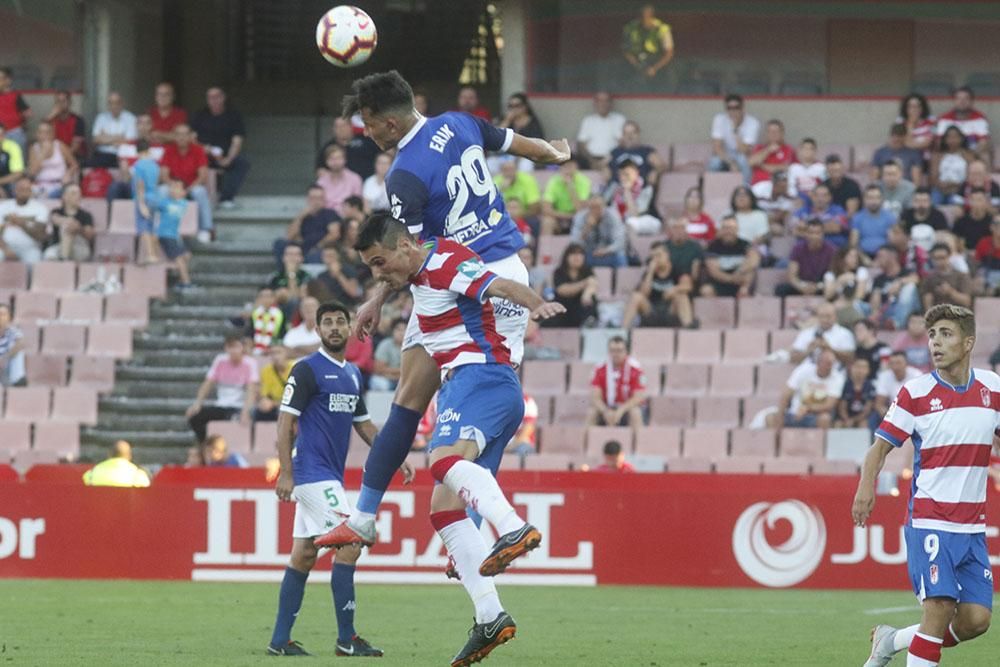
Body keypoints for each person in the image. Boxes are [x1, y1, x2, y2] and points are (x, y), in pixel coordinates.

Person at [313, 70, 570, 554]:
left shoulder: (404, 175)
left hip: (458, 278)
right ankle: (454, 532)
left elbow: (402, 254)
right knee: (488, 395)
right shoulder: (462, 122)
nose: (366, 133)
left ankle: (377, 518)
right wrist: (557, 152)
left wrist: (376, 298)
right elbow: (523, 145)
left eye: (368, 124)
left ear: (388, 124)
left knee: (415, 400)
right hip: (504, 269)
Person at [318, 215, 566, 666]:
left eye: (380, 262)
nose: (379, 273)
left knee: (441, 458)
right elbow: (406, 274)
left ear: (406, 247)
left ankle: (512, 527)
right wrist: (377, 298)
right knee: (445, 510)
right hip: (480, 385)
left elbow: (496, 284)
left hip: (479, 379)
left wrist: (536, 302)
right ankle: (490, 616)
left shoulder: (445, 263)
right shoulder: (420, 265)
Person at [855, 304, 997, 667]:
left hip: (971, 527)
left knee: (975, 621)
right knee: (939, 609)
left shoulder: (993, 389)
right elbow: (878, 449)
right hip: (930, 520)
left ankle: (892, 639)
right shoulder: (914, 393)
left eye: (946, 334)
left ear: (968, 343)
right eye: (932, 334)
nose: (935, 342)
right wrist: (865, 489)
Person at [269, 302, 405, 657]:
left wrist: (394, 455)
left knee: (304, 555)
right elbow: (285, 422)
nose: (333, 328)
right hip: (311, 474)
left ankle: (279, 641)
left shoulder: (352, 374)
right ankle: (347, 639)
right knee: (351, 543)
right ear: (317, 330)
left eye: (339, 322)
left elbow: (364, 424)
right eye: (326, 323)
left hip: (327, 475)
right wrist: (286, 471)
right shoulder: (307, 370)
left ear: (349, 329)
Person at [186, 333, 259, 444]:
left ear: (242, 348)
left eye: (236, 347)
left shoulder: (250, 363)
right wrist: (198, 403)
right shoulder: (220, 360)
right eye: (230, 347)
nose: (233, 351)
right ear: (226, 348)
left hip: (239, 406)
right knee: (195, 417)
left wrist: (246, 410)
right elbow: (208, 383)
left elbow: (251, 389)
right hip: (222, 405)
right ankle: (206, 445)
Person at [190, 86, 250, 208]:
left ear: (223, 98)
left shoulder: (233, 116)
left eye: (217, 97)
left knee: (242, 163)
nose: (214, 100)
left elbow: (237, 140)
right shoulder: (200, 115)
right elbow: (191, 138)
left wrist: (229, 158)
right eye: (210, 97)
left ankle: (226, 198)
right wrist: (203, 148)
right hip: (203, 155)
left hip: (224, 156)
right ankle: (193, 198)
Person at [159, 123, 213, 243]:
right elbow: (164, 175)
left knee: (200, 191)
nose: (181, 138)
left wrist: (187, 190)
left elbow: (202, 176)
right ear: (173, 136)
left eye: (184, 135)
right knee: (162, 190)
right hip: (174, 186)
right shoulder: (168, 150)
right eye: (178, 135)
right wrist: (175, 188)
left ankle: (205, 229)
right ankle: (163, 228)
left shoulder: (198, 150)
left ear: (190, 136)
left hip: (192, 186)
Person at [767, 349, 845, 429]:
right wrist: (780, 415)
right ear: (818, 362)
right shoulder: (803, 370)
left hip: (816, 415)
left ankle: (820, 441)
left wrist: (808, 409)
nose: (829, 367)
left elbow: (830, 404)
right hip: (794, 413)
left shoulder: (837, 377)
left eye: (831, 364)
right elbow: (787, 393)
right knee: (771, 418)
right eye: (827, 363)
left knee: (825, 419)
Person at [623, 240, 693, 328]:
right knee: (635, 297)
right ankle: (622, 330)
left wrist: (674, 289)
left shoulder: (677, 268)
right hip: (651, 311)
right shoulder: (649, 272)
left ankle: (689, 328)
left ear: (667, 255)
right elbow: (643, 293)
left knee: (682, 296)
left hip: (670, 311)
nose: (656, 259)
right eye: (653, 257)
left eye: (658, 255)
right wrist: (650, 272)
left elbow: (688, 286)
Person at [587, 336, 648, 429]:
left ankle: (640, 442)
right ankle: (586, 442)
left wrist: (621, 410)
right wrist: (605, 411)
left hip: (626, 408)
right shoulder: (599, 369)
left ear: (626, 351)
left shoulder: (636, 369)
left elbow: (638, 397)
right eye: (612, 350)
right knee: (592, 413)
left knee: (635, 412)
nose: (615, 354)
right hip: (607, 408)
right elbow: (595, 397)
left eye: (619, 350)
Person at [273, 185, 341, 266]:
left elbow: (334, 234)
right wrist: (301, 217)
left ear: (324, 200)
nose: (316, 201)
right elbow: (289, 236)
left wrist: (318, 246)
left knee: (314, 256)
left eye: (319, 198)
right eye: (313, 198)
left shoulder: (330, 213)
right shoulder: (303, 216)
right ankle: (285, 275)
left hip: (320, 249)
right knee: (279, 243)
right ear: (308, 199)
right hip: (302, 249)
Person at [701, 214, 760, 297]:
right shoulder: (712, 246)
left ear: (737, 229)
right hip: (719, 282)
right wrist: (731, 279)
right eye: (725, 228)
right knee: (706, 290)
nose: (728, 231)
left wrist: (739, 272)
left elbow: (754, 260)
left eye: (731, 228)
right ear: (720, 229)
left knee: (749, 274)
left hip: (741, 281)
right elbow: (714, 271)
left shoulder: (745, 244)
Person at [776, 219, 837, 297]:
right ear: (806, 234)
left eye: (817, 233)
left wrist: (818, 286)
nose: (814, 236)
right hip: (802, 284)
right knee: (781, 289)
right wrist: (802, 286)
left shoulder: (831, 250)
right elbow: (792, 276)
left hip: (822, 285)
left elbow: (834, 274)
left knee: (834, 290)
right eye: (811, 233)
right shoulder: (798, 248)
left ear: (823, 234)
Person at [151, 179, 193, 288]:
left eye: (177, 187)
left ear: (183, 192)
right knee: (179, 257)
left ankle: (180, 280)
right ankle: (186, 282)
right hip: (164, 235)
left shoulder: (183, 203)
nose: (173, 190)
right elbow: (154, 210)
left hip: (175, 236)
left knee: (187, 255)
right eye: (172, 187)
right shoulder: (164, 203)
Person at [708, 94, 759, 184]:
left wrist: (735, 131)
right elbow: (717, 148)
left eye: (736, 107)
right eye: (729, 108)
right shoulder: (719, 119)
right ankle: (712, 190)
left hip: (743, 154)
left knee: (743, 161)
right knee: (714, 163)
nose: (733, 111)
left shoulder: (752, 123)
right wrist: (731, 163)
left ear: (742, 108)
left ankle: (745, 189)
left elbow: (744, 150)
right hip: (725, 153)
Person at [869, 245, 921, 331]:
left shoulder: (906, 272)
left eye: (880, 256)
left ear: (892, 256)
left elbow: (916, 279)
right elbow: (875, 301)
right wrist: (875, 312)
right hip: (886, 310)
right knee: (858, 304)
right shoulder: (879, 279)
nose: (878, 259)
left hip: (907, 309)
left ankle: (897, 323)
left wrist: (899, 282)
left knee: (909, 287)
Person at [0, 176, 49, 265]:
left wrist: (20, 222)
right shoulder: (3, 206)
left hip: (30, 248)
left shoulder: (40, 208)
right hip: (5, 247)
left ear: (31, 191)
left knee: (34, 261)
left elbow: (40, 235)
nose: (24, 192)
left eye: (27, 189)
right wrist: (6, 249)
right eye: (21, 189)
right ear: (15, 190)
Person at [790, 302, 856, 367]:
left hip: (835, 373)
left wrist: (829, 349)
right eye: (821, 316)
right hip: (808, 372)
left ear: (835, 317)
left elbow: (850, 359)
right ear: (817, 317)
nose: (825, 320)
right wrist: (808, 351)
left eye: (828, 316)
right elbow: (793, 359)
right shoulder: (806, 333)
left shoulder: (845, 334)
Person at [934, 86, 991, 162]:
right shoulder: (944, 118)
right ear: (954, 101)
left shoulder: (979, 118)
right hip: (949, 152)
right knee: (935, 155)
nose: (962, 101)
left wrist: (970, 155)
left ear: (972, 101)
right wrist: (954, 153)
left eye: (966, 99)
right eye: (959, 98)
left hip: (972, 154)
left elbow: (984, 142)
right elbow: (939, 142)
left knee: (985, 155)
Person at [604, 158, 659, 236]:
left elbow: (635, 214)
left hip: (645, 221)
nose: (623, 178)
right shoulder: (616, 186)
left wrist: (627, 191)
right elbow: (602, 204)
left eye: (626, 174)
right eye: (620, 175)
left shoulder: (646, 188)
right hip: (621, 222)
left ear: (636, 173)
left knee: (630, 222)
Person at [570, 194, 627, 268]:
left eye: (598, 207)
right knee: (574, 258)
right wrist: (587, 228)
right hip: (588, 253)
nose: (595, 210)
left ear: (604, 206)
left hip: (609, 253)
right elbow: (575, 243)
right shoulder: (580, 217)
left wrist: (606, 250)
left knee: (620, 257)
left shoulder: (613, 216)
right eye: (592, 207)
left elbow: (620, 241)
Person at [316, 116, 379, 181]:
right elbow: (320, 170)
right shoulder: (328, 147)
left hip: (369, 185)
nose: (341, 129)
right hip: (340, 188)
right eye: (337, 126)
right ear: (333, 129)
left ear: (351, 126)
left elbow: (384, 157)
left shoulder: (366, 141)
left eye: (344, 125)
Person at [621, 4, 674, 80]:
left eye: (647, 16)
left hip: (657, 62)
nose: (644, 19)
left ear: (652, 16)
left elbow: (669, 53)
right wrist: (638, 66)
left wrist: (654, 68)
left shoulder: (663, 29)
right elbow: (626, 51)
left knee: (669, 72)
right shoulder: (630, 28)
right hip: (636, 61)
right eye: (641, 16)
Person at [26, 121, 78, 198]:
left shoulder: (60, 146)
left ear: (52, 134)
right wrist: (43, 154)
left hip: (59, 185)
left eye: (47, 132)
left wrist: (68, 173)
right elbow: (31, 173)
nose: (43, 135)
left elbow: (74, 165)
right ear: (37, 134)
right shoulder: (33, 148)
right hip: (39, 185)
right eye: (40, 132)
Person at [576, 91, 626, 171]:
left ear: (611, 103)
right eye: (600, 101)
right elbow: (581, 145)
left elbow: (623, 144)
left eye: (606, 101)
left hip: (611, 158)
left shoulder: (619, 119)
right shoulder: (588, 120)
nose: (603, 104)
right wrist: (592, 161)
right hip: (590, 159)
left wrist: (607, 160)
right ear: (595, 103)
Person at [540, 155, 590, 235]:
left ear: (576, 167)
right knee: (547, 222)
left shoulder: (583, 181)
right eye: (564, 166)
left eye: (570, 166)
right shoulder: (554, 181)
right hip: (559, 217)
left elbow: (580, 210)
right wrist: (568, 216)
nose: (567, 170)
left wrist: (570, 186)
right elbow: (546, 209)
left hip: (578, 218)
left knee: (587, 221)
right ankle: (547, 247)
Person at [43, 184, 94, 262]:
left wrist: (78, 228)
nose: (78, 196)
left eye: (79, 193)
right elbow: (55, 219)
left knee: (67, 228)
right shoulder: (56, 211)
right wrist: (71, 223)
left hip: (79, 247)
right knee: (49, 255)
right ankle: (65, 260)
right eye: (74, 193)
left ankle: (64, 262)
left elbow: (89, 235)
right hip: (59, 245)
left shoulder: (86, 215)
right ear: (65, 196)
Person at [749, 119, 796, 199]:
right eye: (770, 131)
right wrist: (768, 150)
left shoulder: (788, 149)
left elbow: (783, 168)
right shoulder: (759, 148)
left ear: (782, 133)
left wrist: (761, 165)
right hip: (760, 184)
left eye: (776, 131)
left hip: (780, 186)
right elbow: (751, 162)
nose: (773, 134)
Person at [608, 121, 665, 185]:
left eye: (633, 133)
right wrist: (604, 168)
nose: (629, 136)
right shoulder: (615, 151)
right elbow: (601, 164)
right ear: (623, 136)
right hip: (616, 189)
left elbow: (661, 165)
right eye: (626, 133)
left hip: (638, 189)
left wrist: (655, 172)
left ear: (638, 134)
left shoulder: (646, 151)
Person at [921, 242, 974, 311]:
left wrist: (950, 292)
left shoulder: (961, 276)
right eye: (936, 258)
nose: (940, 261)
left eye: (943, 258)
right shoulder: (929, 278)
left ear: (949, 257)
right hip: (937, 315)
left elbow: (967, 302)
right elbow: (927, 300)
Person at [90, 91, 137, 168]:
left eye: (117, 103)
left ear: (122, 103)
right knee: (85, 165)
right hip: (102, 154)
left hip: (122, 155)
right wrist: (118, 137)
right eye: (111, 103)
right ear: (107, 105)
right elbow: (95, 139)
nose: (114, 106)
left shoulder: (131, 118)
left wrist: (105, 137)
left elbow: (130, 140)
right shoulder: (101, 118)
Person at [850, 184, 897, 258]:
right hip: (862, 256)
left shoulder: (890, 217)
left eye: (877, 198)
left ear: (882, 199)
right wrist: (863, 259)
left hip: (885, 256)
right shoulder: (857, 218)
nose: (874, 201)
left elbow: (892, 243)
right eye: (870, 198)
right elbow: (853, 243)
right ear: (864, 199)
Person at [316, 144, 363, 215]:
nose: (335, 162)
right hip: (326, 218)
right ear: (326, 161)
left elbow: (357, 205)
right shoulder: (321, 182)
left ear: (345, 160)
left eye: (338, 158)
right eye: (331, 158)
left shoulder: (355, 179)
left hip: (348, 217)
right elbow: (318, 204)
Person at [931, 126, 974, 204]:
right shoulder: (938, 156)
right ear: (944, 139)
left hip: (960, 189)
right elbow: (933, 177)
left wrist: (957, 185)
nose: (952, 140)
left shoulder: (968, 156)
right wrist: (942, 185)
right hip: (940, 189)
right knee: (934, 201)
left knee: (955, 201)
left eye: (955, 137)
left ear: (961, 139)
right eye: (949, 137)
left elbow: (971, 176)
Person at [82, 440, 151, 487]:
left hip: (98, 508)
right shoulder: (138, 476)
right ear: (129, 456)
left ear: (109, 454)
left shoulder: (91, 474)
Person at [268, 243, 310, 320]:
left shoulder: (306, 276)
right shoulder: (276, 276)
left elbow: (296, 297)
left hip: (300, 311)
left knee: (293, 301)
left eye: (296, 254)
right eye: (289, 254)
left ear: (302, 258)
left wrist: (291, 274)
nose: (292, 258)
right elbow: (272, 297)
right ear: (283, 258)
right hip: (277, 310)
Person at [873, 351, 922, 417]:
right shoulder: (884, 376)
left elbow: (921, 401)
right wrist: (888, 415)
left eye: (898, 363)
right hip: (891, 413)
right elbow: (879, 404)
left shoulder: (917, 375)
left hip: (913, 412)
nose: (895, 367)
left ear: (906, 364)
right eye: (892, 363)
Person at [835, 357, 877, 430]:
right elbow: (842, 407)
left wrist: (854, 420)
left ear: (868, 370)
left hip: (862, 417)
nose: (860, 370)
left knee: (863, 425)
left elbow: (867, 409)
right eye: (858, 367)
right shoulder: (844, 384)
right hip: (845, 416)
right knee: (838, 424)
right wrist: (846, 419)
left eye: (863, 367)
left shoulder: (871, 386)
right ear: (851, 368)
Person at [255, 345, 292, 422]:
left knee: (284, 411)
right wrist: (264, 401)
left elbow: (296, 397)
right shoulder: (266, 370)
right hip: (273, 403)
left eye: (279, 352)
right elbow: (264, 394)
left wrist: (274, 404)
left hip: (290, 404)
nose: (276, 356)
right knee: (256, 411)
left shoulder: (295, 368)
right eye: (273, 353)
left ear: (286, 353)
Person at [46, 90, 85, 160]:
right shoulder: (51, 120)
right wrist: (50, 117)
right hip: (54, 156)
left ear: (69, 103)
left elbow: (75, 147)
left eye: (63, 101)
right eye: (58, 102)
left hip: (74, 156)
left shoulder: (78, 120)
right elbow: (42, 138)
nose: (60, 104)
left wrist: (61, 159)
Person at [952, 188, 993, 254]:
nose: (976, 203)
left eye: (979, 200)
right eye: (973, 200)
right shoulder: (961, 221)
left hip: (987, 254)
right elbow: (957, 241)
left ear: (986, 202)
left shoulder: (992, 221)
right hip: (966, 254)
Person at [0, 67, 30, 153]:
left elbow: (28, 113)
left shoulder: (15, 95)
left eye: (1, 78)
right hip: (0, 133)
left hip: (14, 132)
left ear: (8, 80)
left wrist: (20, 120)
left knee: (19, 157)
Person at [371, 317, 405, 391]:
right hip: (387, 379)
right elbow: (379, 369)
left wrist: (392, 372)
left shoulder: (413, 346)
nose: (401, 333)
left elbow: (414, 372)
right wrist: (401, 372)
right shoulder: (385, 344)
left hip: (406, 381)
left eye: (404, 330)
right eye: (398, 329)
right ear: (392, 331)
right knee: (377, 382)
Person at [249, 287, 285, 354]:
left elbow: (282, 334)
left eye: (268, 296)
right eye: (263, 296)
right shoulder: (255, 313)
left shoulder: (280, 314)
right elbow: (250, 333)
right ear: (259, 299)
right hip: (256, 346)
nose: (266, 299)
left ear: (274, 298)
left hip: (274, 346)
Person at [0, 303, 26, 387]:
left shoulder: (13, 331)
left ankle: (17, 382)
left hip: (7, 364)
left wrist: (5, 357)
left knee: (19, 353)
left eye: (3, 314)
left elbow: (20, 343)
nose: (0, 317)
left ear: (9, 317)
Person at [974, 217, 1000, 295]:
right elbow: (977, 263)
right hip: (987, 271)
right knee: (978, 287)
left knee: (992, 289)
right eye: (997, 224)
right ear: (991, 227)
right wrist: (978, 276)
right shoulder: (983, 242)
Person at [0, 121, 25, 196]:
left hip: (7, 183)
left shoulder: (13, 147)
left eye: (1, 135)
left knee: (19, 186)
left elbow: (18, 173)